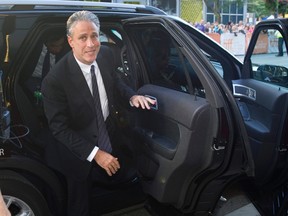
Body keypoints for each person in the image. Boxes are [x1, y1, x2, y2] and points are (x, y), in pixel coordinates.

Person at [41, 10, 155, 216]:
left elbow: (116, 83)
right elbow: (59, 129)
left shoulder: (105, 55)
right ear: (70, 41)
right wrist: (96, 154)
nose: (91, 44)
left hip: (107, 128)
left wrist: (131, 97)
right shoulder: (54, 80)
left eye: (94, 35)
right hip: (75, 146)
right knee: (79, 204)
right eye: (83, 38)